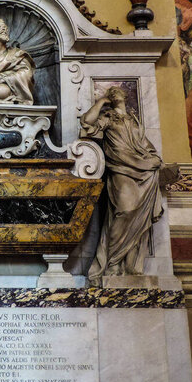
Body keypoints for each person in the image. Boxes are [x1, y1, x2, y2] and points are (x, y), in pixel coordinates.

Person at [80, 86, 163, 286]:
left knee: (139, 218)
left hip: (144, 172)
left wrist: (154, 159)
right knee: (126, 210)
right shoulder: (108, 117)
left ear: (126, 96)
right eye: (112, 91)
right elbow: (87, 123)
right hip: (120, 169)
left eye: (118, 91)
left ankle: (130, 266)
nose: (115, 92)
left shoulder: (134, 120)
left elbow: (145, 144)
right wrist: (100, 102)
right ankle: (112, 262)